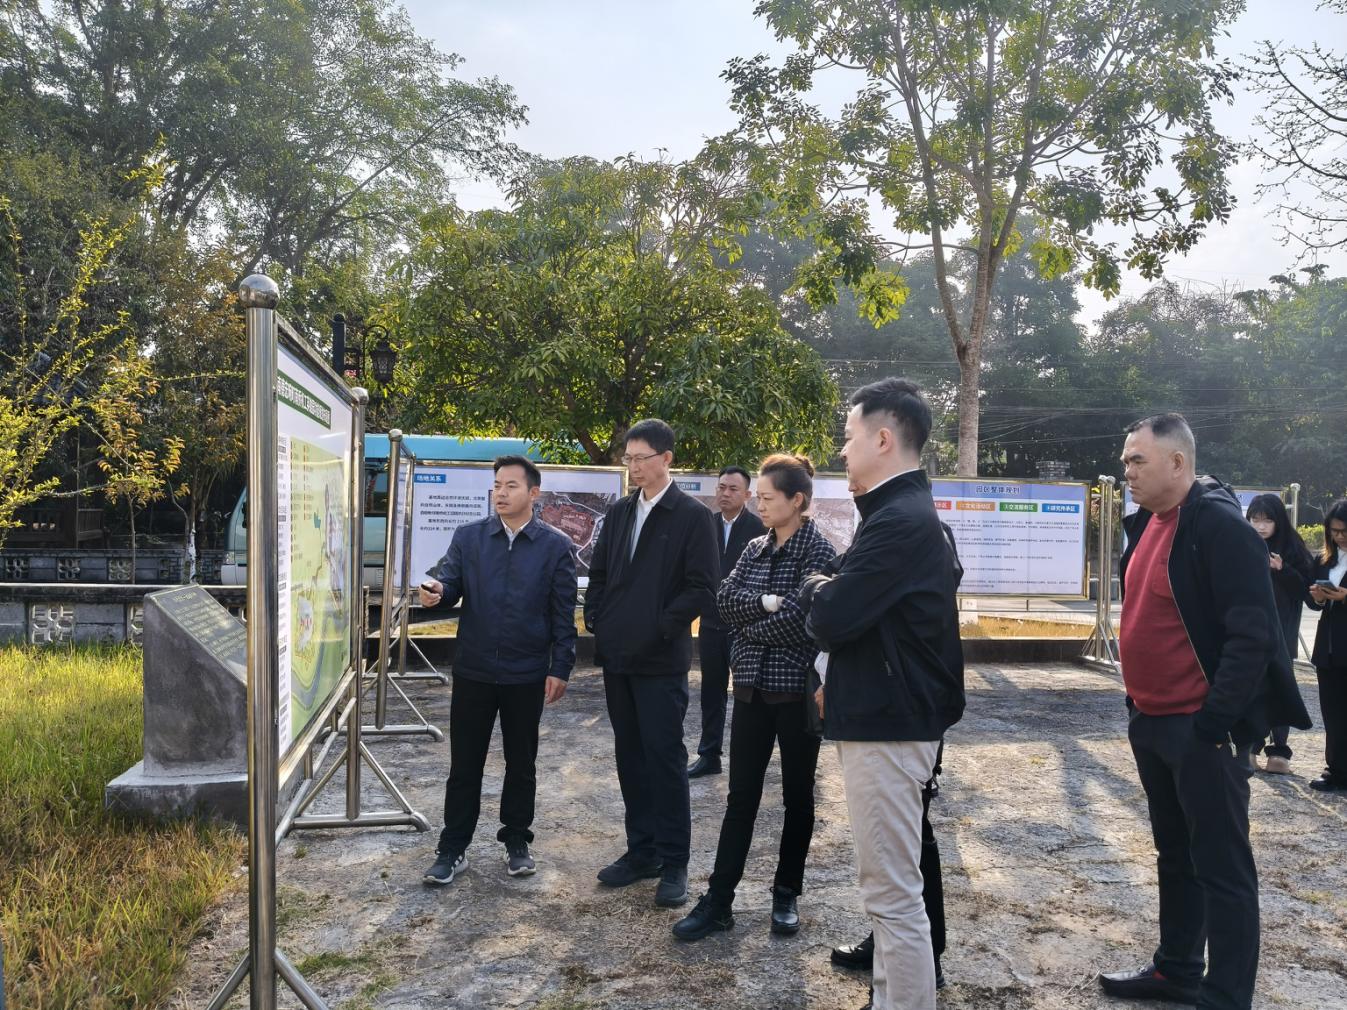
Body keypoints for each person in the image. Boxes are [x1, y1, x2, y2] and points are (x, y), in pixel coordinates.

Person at [1099, 413, 1310, 1009]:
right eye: (1125, 460)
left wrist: (1213, 724)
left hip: (1201, 731)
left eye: (1137, 460)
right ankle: (1177, 971)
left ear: (1177, 463)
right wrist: (1138, 703)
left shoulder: (1220, 527)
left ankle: (1226, 996)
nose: (1127, 471)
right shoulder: (1147, 522)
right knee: (1176, 856)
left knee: (1223, 869)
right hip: (1151, 719)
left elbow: (1254, 638)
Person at [801, 378, 965, 1010]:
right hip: (887, 719)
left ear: (885, 438)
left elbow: (833, 615)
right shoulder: (899, 515)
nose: (842, 450)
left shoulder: (900, 522)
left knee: (892, 896)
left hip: (891, 727)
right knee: (890, 891)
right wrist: (830, 590)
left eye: (849, 437)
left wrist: (816, 588)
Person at [671, 454, 836, 940]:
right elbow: (724, 602)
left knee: (797, 797)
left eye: (767, 497)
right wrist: (765, 606)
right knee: (740, 796)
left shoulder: (819, 553)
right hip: (749, 689)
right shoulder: (755, 547)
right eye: (757, 497)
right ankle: (719, 899)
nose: (758, 505)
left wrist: (750, 626)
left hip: (795, 692)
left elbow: (804, 624)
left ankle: (786, 894)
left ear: (797, 500)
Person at [420, 455, 577, 886]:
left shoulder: (555, 546)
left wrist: (561, 666)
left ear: (533, 493)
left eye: (511, 486)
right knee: (464, 764)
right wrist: (437, 592)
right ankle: (452, 848)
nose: (501, 493)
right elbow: (450, 583)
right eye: (496, 485)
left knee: (521, 763)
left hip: (526, 673)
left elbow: (563, 614)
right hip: (474, 670)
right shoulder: (470, 537)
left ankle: (517, 841)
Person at [584, 419, 719, 907]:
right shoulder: (620, 512)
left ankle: (674, 860)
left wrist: (660, 626)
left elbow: (702, 587)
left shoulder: (692, 517)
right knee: (630, 755)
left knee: (664, 758)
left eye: (641, 458)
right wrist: (596, 615)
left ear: (666, 458)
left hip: (661, 660)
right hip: (618, 656)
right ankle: (641, 850)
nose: (633, 466)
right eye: (629, 458)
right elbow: (600, 572)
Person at [690, 465, 766, 778]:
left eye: (733, 489)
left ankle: (749, 760)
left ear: (747, 495)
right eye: (721, 487)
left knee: (749, 695)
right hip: (710, 623)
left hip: (744, 627)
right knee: (712, 692)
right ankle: (710, 755)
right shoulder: (705, 524)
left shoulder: (759, 529)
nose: (725, 493)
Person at [1245, 493, 1314, 774]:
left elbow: (1308, 594)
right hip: (1250, 632)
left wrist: (1283, 569)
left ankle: (1279, 751)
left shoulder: (1293, 548)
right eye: (1255, 519)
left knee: (1281, 688)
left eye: (1267, 520)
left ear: (1278, 521)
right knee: (1251, 688)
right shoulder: (1242, 543)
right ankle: (1251, 746)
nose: (1260, 526)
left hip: (1283, 632)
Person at [1306, 498, 1347, 792]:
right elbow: (1311, 601)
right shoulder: (1324, 558)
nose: (1340, 536)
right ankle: (1336, 770)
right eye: (1335, 531)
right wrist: (1318, 597)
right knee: (1332, 714)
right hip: (1329, 648)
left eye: (1345, 531)